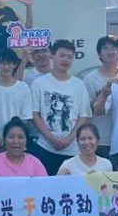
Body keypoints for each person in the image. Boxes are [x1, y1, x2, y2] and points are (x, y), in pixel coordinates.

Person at [58, 123, 114, 216]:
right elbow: (58, 193)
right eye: (82, 139)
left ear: (98, 140)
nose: (87, 143)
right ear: (77, 142)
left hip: (100, 213)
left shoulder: (106, 164)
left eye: (91, 138)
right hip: (77, 215)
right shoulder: (68, 165)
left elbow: (109, 193)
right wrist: (59, 179)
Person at [31, 40, 92, 176]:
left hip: (72, 150)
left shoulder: (79, 85)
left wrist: (69, 139)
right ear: (52, 56)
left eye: (69, 57)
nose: (66, 60)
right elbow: (35, 114)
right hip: (45, 147)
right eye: (62, 56)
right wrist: (51, 138)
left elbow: (83, 116)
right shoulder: (39, 83)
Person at [0, 50, 32, 165]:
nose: (6, 67)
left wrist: (12, 141)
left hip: (16, 148)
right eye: (3, 63)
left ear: (15, 64)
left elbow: (26, 118)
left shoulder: (24, 88)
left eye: (9, 63)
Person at [82, 35, 118, 158]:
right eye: (105, 48)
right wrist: (103, 94)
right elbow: (87, 109)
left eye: (114, 48)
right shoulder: (90, 79)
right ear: (99, 55)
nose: (110, 51)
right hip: (99, 140)